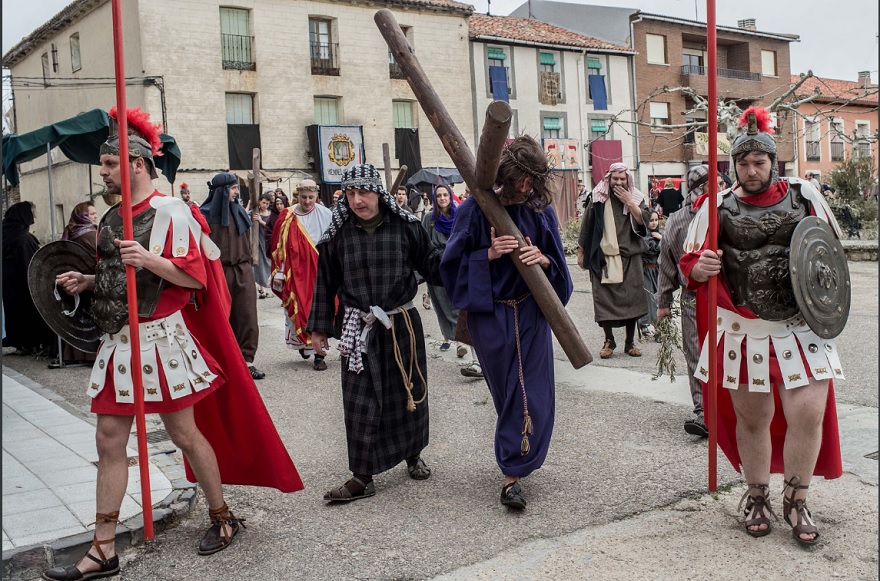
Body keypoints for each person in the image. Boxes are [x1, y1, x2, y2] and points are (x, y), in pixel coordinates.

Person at [45, 108, 302, 581]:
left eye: (109, 164)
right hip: (119, 342)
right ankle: (103, 547)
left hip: (161, 341)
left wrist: (147, 258)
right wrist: (86, 280)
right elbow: (114, 279)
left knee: (184, 435)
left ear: (137, 165)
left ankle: (222, 514)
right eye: (103, 165)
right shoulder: (109, 216)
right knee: (108, 439)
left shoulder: (172, 213)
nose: (102, 173)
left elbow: (195, 278)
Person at [680, 106, 844, 546]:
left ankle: (797, 498)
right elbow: (689, 262)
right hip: (744, 329)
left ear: (775, 162)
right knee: (752, 418)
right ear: (733, 165)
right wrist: (699, 269)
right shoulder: (715, 207)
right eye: (743, 163)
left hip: (800, 323)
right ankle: (757, 496)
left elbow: (830, 256)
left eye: (760, 162)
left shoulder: (806, 195)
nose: (752, 170)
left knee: (807, 414)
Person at [441, 135, 573, 510]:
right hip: (491, 316)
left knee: (533, 394)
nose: (525, 187)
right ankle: (515, 454)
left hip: (530, 312)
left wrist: (543, 260)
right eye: (519, 179)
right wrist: (488, 254)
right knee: (507, 393)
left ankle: (512, 475)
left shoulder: (540, 210)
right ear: (505, 175)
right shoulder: (473, 209)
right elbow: (450, 266)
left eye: (531, 180)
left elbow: (558, 264)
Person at [308, 163, 443, 502]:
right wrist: (318, 328)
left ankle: (413, 455)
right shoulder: (338, 234)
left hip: (401, 323)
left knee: (407, 393)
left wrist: (468, 252)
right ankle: (362, 475)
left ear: (379, 193)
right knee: (359, 401)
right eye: (350, 193)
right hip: (358, 326)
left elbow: (432, 264)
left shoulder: (405, 226)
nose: (356, 200)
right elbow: (325, 282)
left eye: (363, 192)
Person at [656, 166, 727, 438]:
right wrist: (663, 302)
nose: (720, 186)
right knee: (697, 354)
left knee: (726, 354)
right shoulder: (678, 220)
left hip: (727, 299)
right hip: (693, 298)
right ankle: (703, 412)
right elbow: (667, 265)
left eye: (721, 181)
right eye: (715, 183)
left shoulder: (727, 213)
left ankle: (727, 409)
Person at [577, 163, 650, 359]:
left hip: (630, 257)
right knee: (604, 301)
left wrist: (629, 202)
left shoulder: (637, 197)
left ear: (628, 180)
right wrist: (581, 251)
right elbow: (587, 224)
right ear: (608, 179)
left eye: (622, 179)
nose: (618, 182)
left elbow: (644, 223)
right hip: (603, 258)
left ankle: (629, 342)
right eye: (615, 179)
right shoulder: (598, 198)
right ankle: (609, 340)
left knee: (632, 301)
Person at [201, 173, 266, 380]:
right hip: (218, 271)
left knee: (246, 316)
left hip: (243, 270)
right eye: (233, 188)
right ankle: (219, 362)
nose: (237, 192)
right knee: (220, 317)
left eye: (237, 188)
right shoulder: (204, 215)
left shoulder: (240, 211)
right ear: (221, 190)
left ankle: (247, 361)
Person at [269, 178, 333, 371]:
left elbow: (333, 245)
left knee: (319, 309)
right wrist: (279, 273)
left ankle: (319, 355)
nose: (307, 201)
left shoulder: (326, 214)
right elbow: (278, 246)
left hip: (319, 272)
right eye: (303, 197)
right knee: (300, 308)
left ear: (317, 196)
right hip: (295, 272)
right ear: (298, 195)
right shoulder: (287, 216)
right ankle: (305, 344)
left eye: (311, 197)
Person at [50, 201, 100, 368]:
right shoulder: (91, 235)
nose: (95, 216)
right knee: (92, 319)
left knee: (79, 319)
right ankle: (91, 354)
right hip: (89, 281)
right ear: (83, 216)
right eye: (92, 214)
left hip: (75, 282)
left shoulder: (70, 232)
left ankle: (75, 354)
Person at [2, 201, 55, 356]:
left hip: (9, 282)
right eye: (33, 212)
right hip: (20, 282)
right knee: (26, 312)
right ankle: (29, 343)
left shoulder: (8, 231)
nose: (35, 216)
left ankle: (20, 343)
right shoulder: (22, 237)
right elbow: (27, 263)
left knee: (15, 312)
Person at [421, 184, 467, 358]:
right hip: (436, 267)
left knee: (458, 304)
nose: (442, 198)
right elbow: (423, 243)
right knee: (443, 306)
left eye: (445, 195)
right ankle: (452, 338)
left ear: (450, 196)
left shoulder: (459, 215)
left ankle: (461, 340)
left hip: (456, 265)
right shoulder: (429, 218)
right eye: (438, 195)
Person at [638, 210, 662, 338]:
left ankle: (659, 326)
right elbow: (650, 250)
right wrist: (662, 240)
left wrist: (661, 238)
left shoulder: (659, 234)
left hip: (657, 271)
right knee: (649, 298)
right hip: (646, 270)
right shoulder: (644, 236)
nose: (654, 223)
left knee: (658, 298)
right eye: (651, 220)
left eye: (656, 220)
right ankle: (646, 325)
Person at [252, 192, 273, 299]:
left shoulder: (269, 214)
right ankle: (263, 289)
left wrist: (261, 221)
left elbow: (271, 228)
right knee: (259, 265)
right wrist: (249, 205)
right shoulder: (255, 212)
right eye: (263, 202)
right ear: (259, 202)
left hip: (267, 242)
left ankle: (265, 284)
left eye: (267, 203)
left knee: (267, 264)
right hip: (257, 242)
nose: (265, 205)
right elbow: (244, 215)